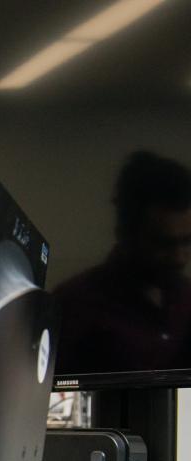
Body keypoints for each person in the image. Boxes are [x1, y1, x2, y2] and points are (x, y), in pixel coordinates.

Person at [55, 150, 191, 375]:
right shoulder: (73, 306)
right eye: (163, 244)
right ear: (125, 233)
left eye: (187, 242)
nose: (179, 258)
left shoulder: (186, 299)